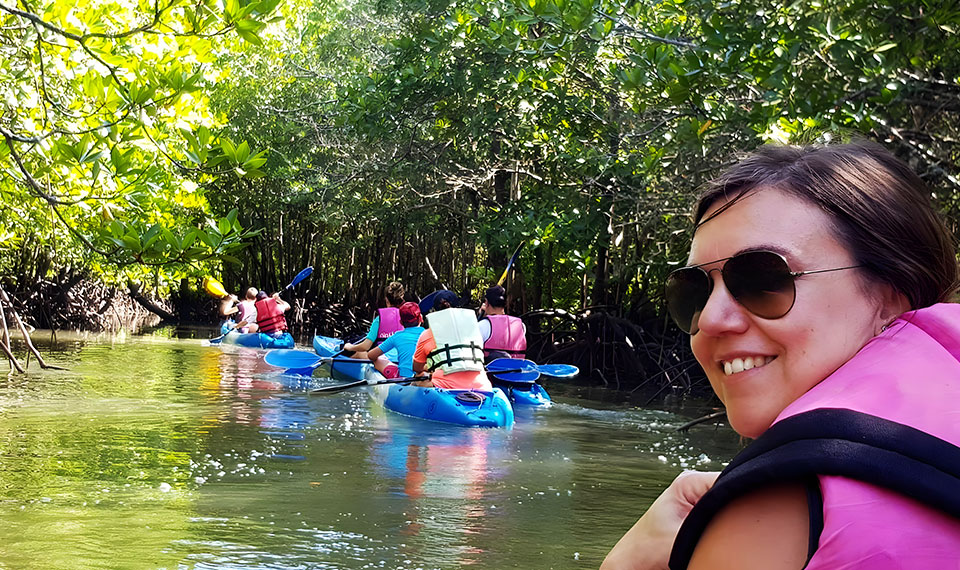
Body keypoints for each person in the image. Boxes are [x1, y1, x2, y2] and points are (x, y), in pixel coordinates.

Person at [601, 141, 960, 570]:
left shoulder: (773, 507)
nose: (712, 319)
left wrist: (626, 565)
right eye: (694, 291)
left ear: (891, 298)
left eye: (763, 279)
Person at [412, 290, 493, 391]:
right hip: (482, 385)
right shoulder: (474, 329)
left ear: (434, 311)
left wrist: (429, 367)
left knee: (417, 379)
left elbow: (417, 368)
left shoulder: (427, 334)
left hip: (443, 386)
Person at [343, 281, 405, 359]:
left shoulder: (379, 319)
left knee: (359, 353)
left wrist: (350, 347)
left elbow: (365, 346)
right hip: (402, 357)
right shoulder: (407, 317)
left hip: (383, 359)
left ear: (386, 299)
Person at [367, 302, 426, 379]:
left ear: (401, 322)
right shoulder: (429, 334)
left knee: (379, 359)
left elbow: (371, 355)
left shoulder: (397, 336)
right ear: (420, 318)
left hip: (404, 378)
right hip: (424, 375)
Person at [477, 284, 527, 361]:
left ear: (486, 303)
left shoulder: (483, 325)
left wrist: (481, 315)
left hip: (491, 371)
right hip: (517, 371)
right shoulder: (521, 326)